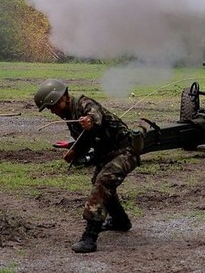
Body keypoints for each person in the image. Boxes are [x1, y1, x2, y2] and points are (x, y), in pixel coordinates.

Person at [35, 78, 145, 253]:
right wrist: (74, 151)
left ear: (61, 98)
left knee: (103, 182)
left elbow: (95, 116)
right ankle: (120, 221)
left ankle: (90, 237)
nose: (52, 111)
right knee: (99, 181)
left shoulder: (85, 104)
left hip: (126, 150)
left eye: (52, 106)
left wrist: (89, 120)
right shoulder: (70, 113)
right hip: (109, 153)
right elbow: (86, 138)